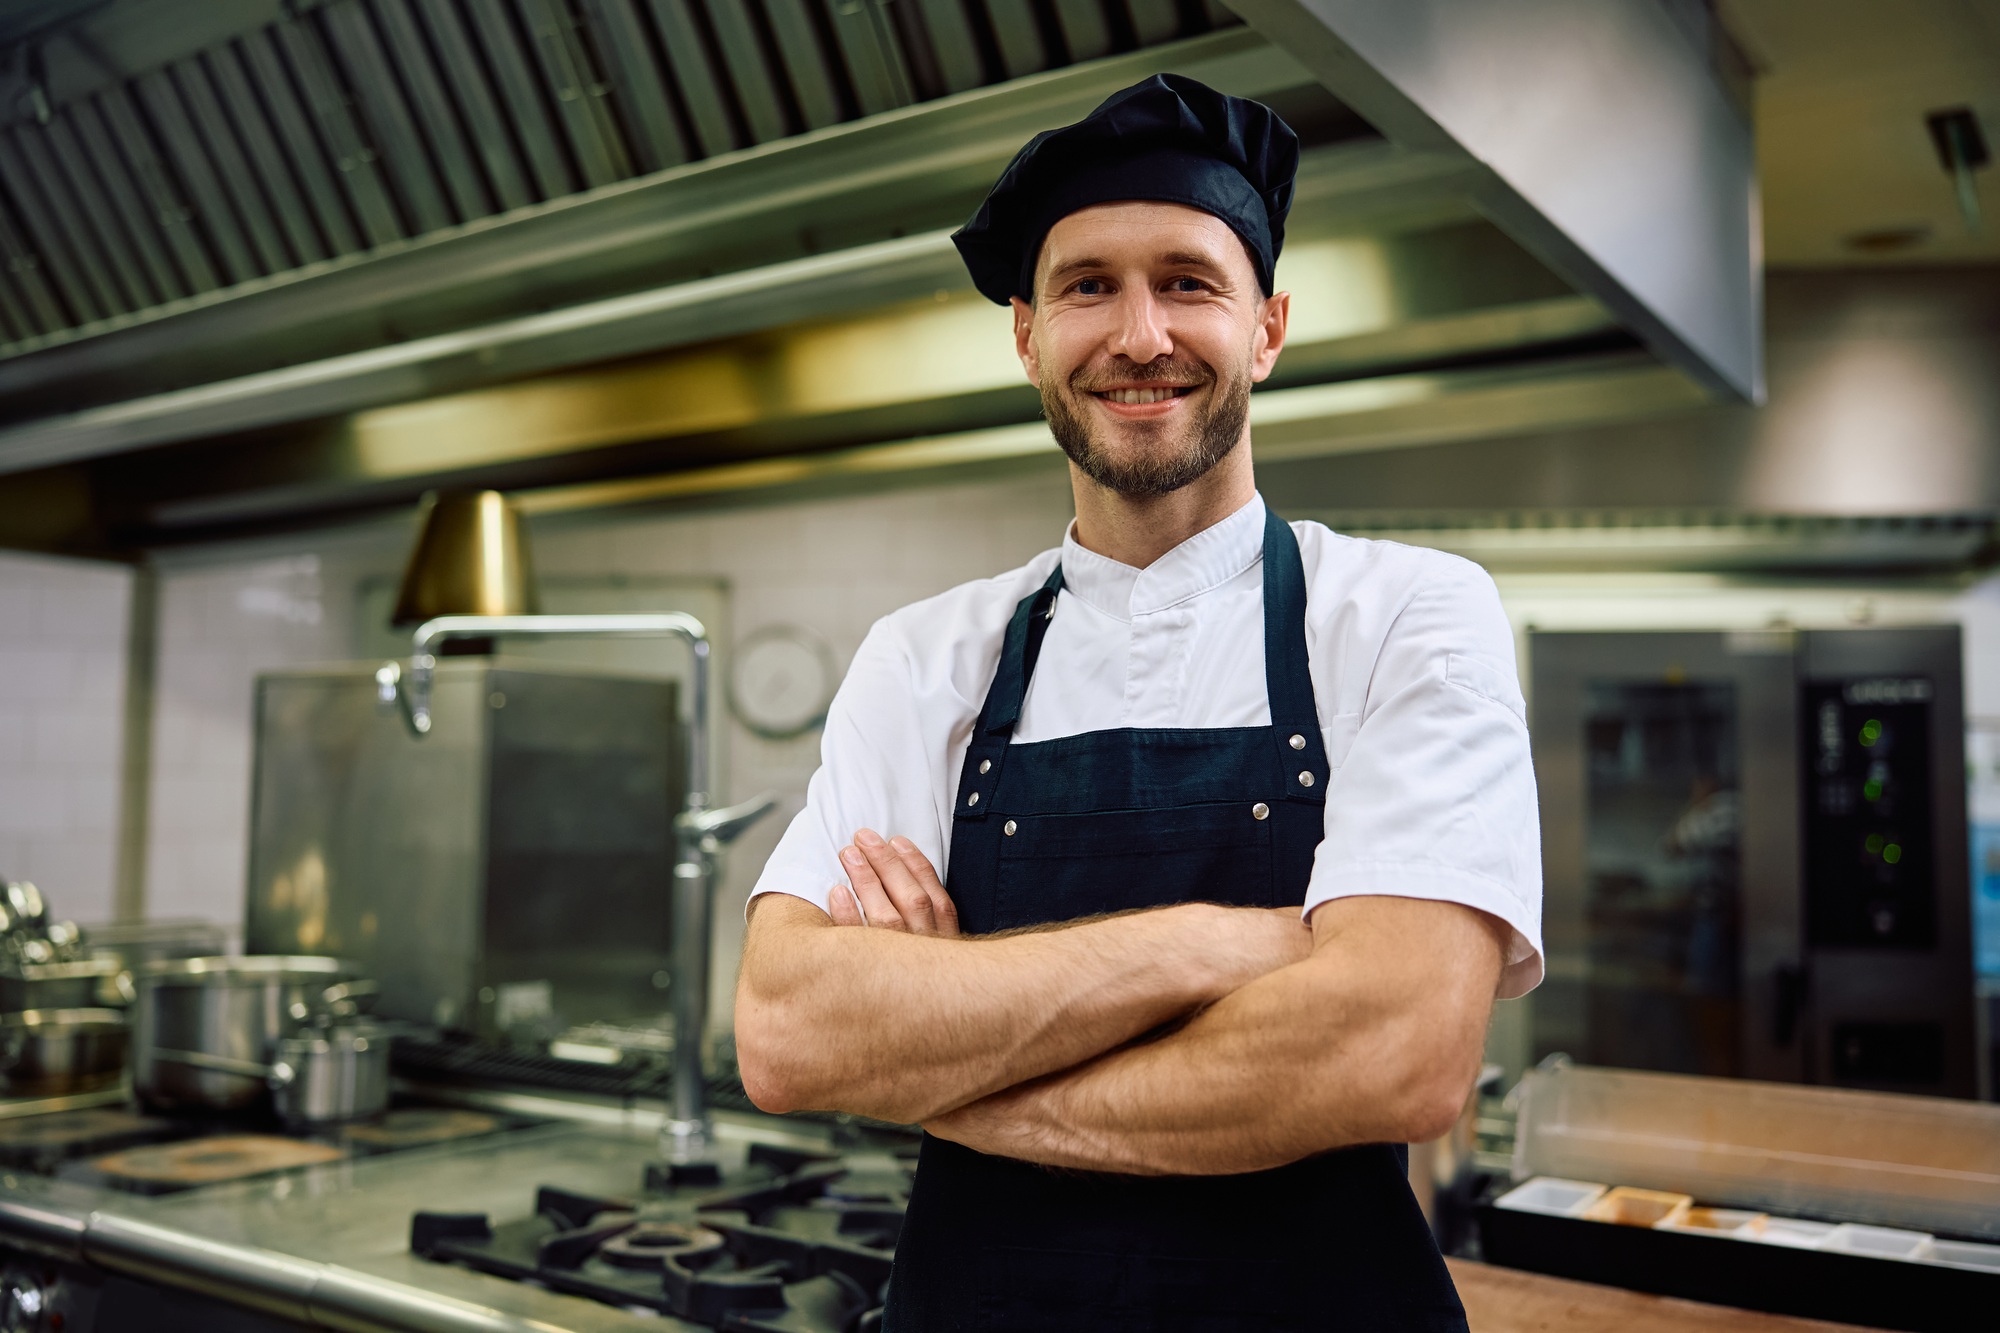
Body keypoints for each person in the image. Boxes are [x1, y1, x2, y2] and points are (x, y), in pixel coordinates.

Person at [735, 73, 1543, 1331]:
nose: (1139, 334)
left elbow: (1393, 1047)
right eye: (1086, 286)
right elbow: (791, 1031)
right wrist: (1229, 943)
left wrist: (950, 1072)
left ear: (1266, 328)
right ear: (1024, 335)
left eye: (1187, 281)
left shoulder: (1403, 613)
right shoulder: (924, 655)